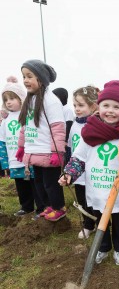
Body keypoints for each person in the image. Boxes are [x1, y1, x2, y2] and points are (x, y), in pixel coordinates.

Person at [59, 80, 119, 265]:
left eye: (117, 107)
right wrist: (69, 174)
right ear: (98, 107)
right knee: (100, 222)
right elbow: (78, 158)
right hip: (97, 190)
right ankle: (104, 248)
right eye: (106, 105)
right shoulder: (89, 134)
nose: (111, 110)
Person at [16, 59, 66, 222]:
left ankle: (59, 208)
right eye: (24, 76)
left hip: (47, 152)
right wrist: (22, 147)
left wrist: (56, 152)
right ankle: (49, 206)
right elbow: (25, 126)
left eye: (29, 76)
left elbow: (58, 128)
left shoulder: (50, 101)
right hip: (33, 151)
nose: (25, 80)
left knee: (51, 184)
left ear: (41, 78)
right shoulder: (30, 100)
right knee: (39, 184)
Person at [0, 77, 43, 216]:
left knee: (34, 183)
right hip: (14, 160)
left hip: (29, 158)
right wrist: (4, 160)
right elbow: (3, 142)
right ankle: (26, 207)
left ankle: (41, 207)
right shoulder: (5, 121)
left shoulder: (27, 115)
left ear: (21, 98)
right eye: (6, 99)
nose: (9, 102)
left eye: (12, 98)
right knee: (21, 184)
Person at [68, 85, 98, 238]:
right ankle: (88, 225)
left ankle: (99, 223)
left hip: (92, 172)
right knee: (82, 199)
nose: (77, 109)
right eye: (74, 105)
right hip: (77, 172)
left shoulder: (95, 125)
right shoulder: (75, 124)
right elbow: (71, 147)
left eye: (81, 105)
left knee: (93, 200)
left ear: (93, 106)